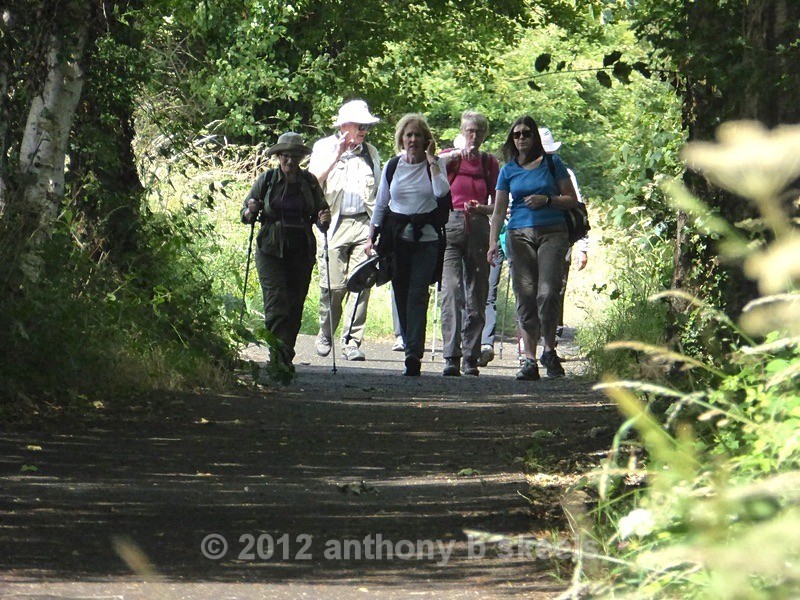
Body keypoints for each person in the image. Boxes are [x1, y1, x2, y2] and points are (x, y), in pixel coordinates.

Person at [487, 116, 579, 380]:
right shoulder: (508, 171)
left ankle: (549, 350)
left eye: (526, 133)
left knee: (548, 293)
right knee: (525, 295)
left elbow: (571, 199)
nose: (521, 138)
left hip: (553, 233)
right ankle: (529, 359)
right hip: (519, 235)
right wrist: (493, 242)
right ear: (511, 139)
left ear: (534, 137)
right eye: (516, 135)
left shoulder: (552, 163)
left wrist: (547, 199)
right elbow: (499, 210)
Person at [366, 114, 450, 376]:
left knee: (417, 292)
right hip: (397, 239)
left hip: (427, 239)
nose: (413, 139)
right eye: (408, 135)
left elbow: (442, 192)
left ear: (427, 140)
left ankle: (414, 352)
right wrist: (372, 235)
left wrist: (433, 161)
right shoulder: (393, 166)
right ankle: (408, 346)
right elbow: (381, 203)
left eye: (418, 135)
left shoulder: (435, 165)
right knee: (400, 292)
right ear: (401, 139)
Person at [241, 132, 331, 372]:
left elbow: (322, 217)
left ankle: (285, 354)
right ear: (278, 156)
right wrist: (250, 210)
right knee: (276, 303)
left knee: (294, 304)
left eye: (294, 156)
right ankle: (278, 359)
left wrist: (324, 218)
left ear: (301, 158)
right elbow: (246, 214)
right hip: (270, 248)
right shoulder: (267, 180)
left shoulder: (309, 182)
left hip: (301, 249)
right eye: (285, 156)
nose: (290, 161)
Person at [309, 100, 381, 362]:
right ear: (343, 126)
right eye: (359, 125)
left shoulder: (370, 152)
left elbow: (378, 192)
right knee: (333, 285)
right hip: (333, 223)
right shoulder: (324, 147)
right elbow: (312, 180)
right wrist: (336, 155)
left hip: (364, 223)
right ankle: (325, 332)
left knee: (362, 283)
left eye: (366, 126)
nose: (364, 130)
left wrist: (377, 229)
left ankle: (351, 340)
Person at [438, 111, 500, 376]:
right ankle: (452, 355)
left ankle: (470, 357)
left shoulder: (489, 163)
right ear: (462, 131)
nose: (474, 136)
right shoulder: (449, 158)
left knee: (477, 292)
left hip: (478, 226)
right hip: (450, 225)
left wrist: (483, 209)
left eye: (479, 132)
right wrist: (447, 158)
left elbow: (499, 204)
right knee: (451, 290)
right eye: (469, 131)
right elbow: (431, 179)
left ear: (485, 134)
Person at [538, 127, 589, 339]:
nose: (549, 156)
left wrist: (583, 246)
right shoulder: (524, 171)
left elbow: (578, 209)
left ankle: (554, 331)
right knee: (531, 285)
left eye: (550, 152)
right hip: (531, 233)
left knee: (557, 284)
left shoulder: (566, 174)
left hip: (562, 234)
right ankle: (534, 331)